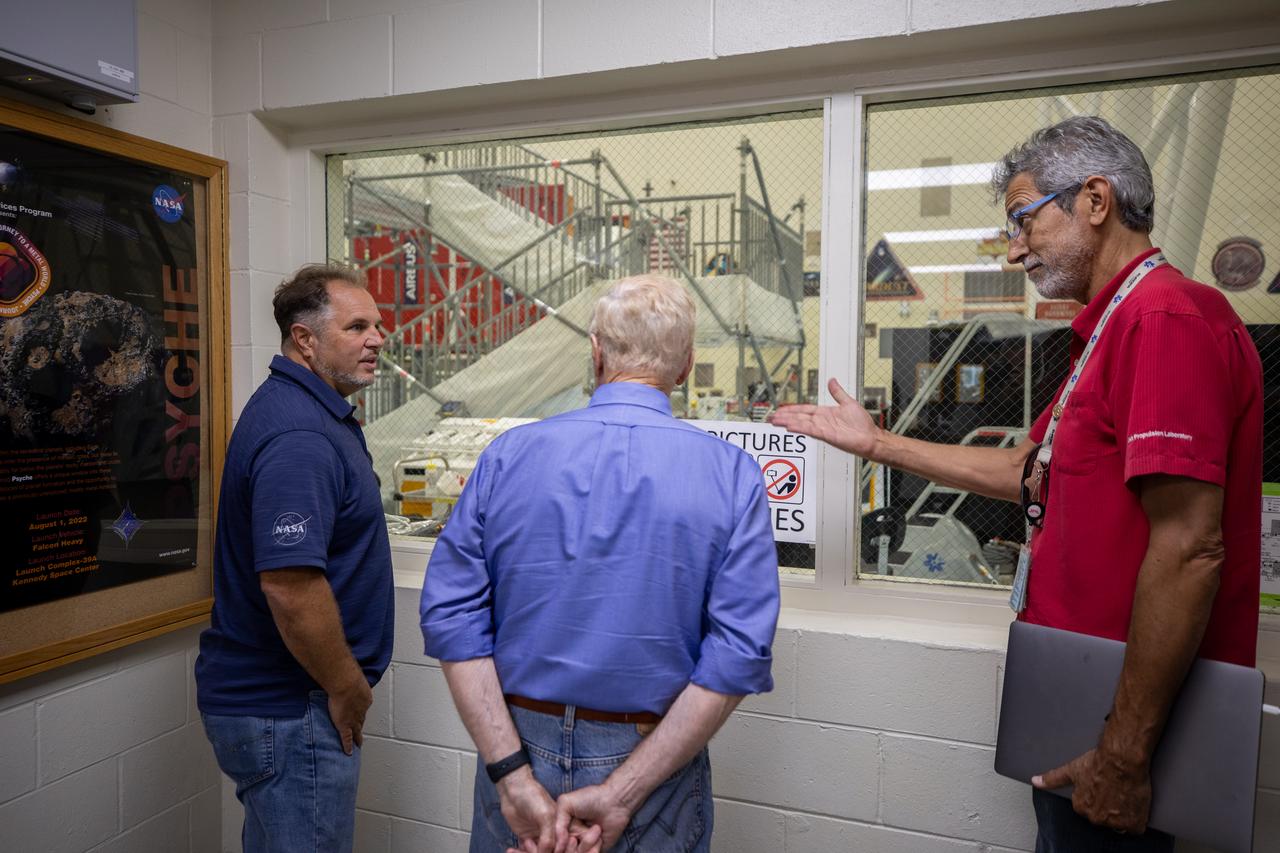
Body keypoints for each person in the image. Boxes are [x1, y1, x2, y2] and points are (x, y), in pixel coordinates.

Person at [770, 116, 1262, 852]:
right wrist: (877, 443)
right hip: (1086, 699)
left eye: (1025, 219)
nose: (1015, 246)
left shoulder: (1165, 319)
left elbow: (1191, 548)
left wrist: (1124, 754)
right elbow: (1026, 471)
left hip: (1130, 729)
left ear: (1095, 200)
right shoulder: (1108, 328)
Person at [421, 274, 781, 853]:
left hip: (514, 742)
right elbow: (738, 653)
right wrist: (622, 791)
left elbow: (450, 618)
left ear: (595, 353)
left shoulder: (507, 457)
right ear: (686, 365)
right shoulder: (733, 475)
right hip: (651, 757)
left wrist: (511, 774)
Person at [195, 263, 394, 853]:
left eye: (378, 326)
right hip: (293, 709)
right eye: (357, 326)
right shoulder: (300, 437)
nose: (377, 339)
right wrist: (346, 686)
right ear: (304, 340)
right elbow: (290, 585)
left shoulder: (307, 410)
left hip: (287, 708)